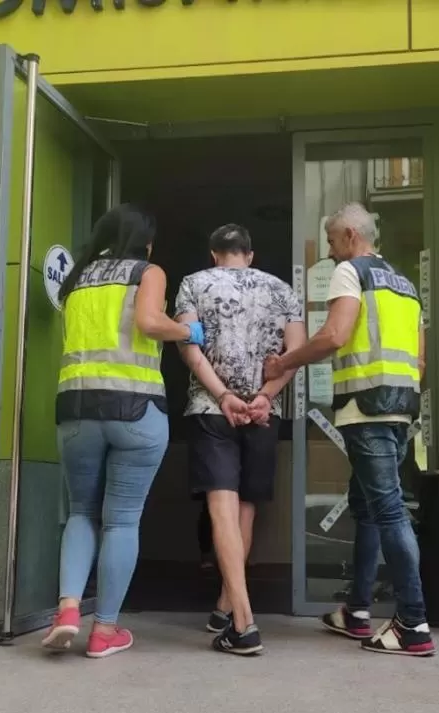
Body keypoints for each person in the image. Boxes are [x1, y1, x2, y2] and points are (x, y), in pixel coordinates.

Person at [263, 202, 435, 657]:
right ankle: (357, 611)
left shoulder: (350, 272)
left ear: (351, 236)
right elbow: (419, 360)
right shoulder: (404, 284)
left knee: (389, 510)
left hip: (365, 409)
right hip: (399, 410)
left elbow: (334, 336)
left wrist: (284, 363)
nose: (329, 251)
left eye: (332, 240)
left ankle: (413, 622)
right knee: (368, 508)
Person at [41, 204, 205, 659]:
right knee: (121, 520)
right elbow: (149, 322)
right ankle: (105, 630)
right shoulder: (147, 272)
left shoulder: (76, 279)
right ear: (144, 243)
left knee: (81, 512)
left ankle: (68, 609)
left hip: (76, 410)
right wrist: (186, 330)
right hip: (135, 409)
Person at [175, 224, 304, 656]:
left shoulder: (193, 284)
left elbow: (189, 350)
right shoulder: (282, 289)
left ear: (215, 254)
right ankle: (226, 607)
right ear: (249, 255)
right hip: (264, 413)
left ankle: (243, 622)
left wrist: (223, 395)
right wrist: (265, 396)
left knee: (222, 509)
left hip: (212, 408)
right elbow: (295, 353)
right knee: (245, 509)